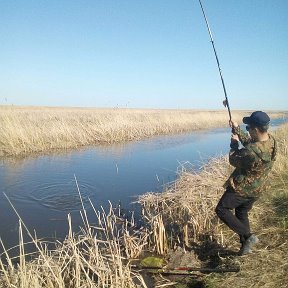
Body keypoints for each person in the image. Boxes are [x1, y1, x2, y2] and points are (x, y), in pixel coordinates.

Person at [215, 111, 277, 255]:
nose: (247, 130)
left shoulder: (251, 152)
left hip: (242, 190)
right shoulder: (271, 142)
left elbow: (234, 159)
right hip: (258, 189)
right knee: (241, 212)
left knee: (221, 209)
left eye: (248, 128)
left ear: (256, 129)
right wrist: (237, 129)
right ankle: (245, 247)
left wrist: (234, 144)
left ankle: (248, 237)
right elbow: (252, 144)